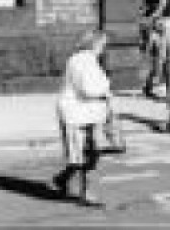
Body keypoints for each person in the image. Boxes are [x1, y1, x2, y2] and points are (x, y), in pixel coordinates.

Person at [53, 29, 114, 207]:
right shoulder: (82, 60)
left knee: (89, 153)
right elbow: (88, 88)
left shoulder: (86, 60)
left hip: (87, 113)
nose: (104, 48)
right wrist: (106, 88)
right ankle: (86, 193)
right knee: (86, 154)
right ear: (94, 43)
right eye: (103, 44)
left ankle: (63, 179)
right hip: (77, 113)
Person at [142, 10, 165, 99]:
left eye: (161, 24)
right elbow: (149, 46)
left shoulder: (160, 34)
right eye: (158, 24)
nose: (160, 25)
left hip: (160, 55)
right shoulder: (153, 34)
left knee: (155, 73)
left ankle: (148, 89)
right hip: (156, 56)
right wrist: (148, 54)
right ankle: (154, 90)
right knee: (156, 73)